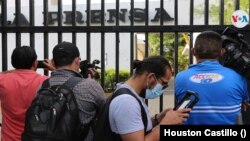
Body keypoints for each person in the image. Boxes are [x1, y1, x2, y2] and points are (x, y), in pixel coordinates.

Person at [175, 31, 249, 125]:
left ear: (193, 51)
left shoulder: (180, 78)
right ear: (222, 52)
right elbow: (244, 102)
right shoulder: (238, 78)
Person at [109, 56, 190, 141]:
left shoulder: (132, 95)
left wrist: (158, 118)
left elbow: (137, 127)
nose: (162, 88)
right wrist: (166, 123)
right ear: (151, 77)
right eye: (163, 84)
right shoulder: (126, 102)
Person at [48, 41, 106, 140]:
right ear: (77, 61)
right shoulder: (90, 85)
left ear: (53, 62)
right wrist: (94, 83)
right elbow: (105, 112)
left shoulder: (42, 86)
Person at [0, 46, 52, 141]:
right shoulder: (45, 81)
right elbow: (67, 82)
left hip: (9, 138)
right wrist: (54, 69)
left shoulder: (2, 80)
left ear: (13, 62)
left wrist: (15, 70)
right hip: (35, 137)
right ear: (35, 62)